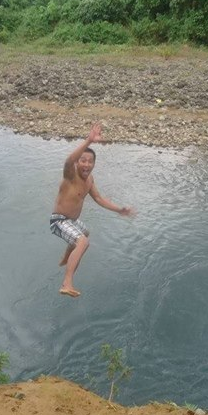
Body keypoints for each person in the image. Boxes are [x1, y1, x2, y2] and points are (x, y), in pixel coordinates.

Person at [50, 123, 135, 298]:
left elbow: (98, 199)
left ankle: (67, 256)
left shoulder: (89, 180)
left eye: (90, 162)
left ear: (94, 164)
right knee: (83, 242)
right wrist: (88, 141)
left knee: (85, 232)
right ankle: (67, 283)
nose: (86, 164)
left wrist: (119, 209)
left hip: (71, 221)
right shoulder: (70, 175)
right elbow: (68, 161)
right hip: (58, 221)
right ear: (77, 163)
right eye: (83, 161)